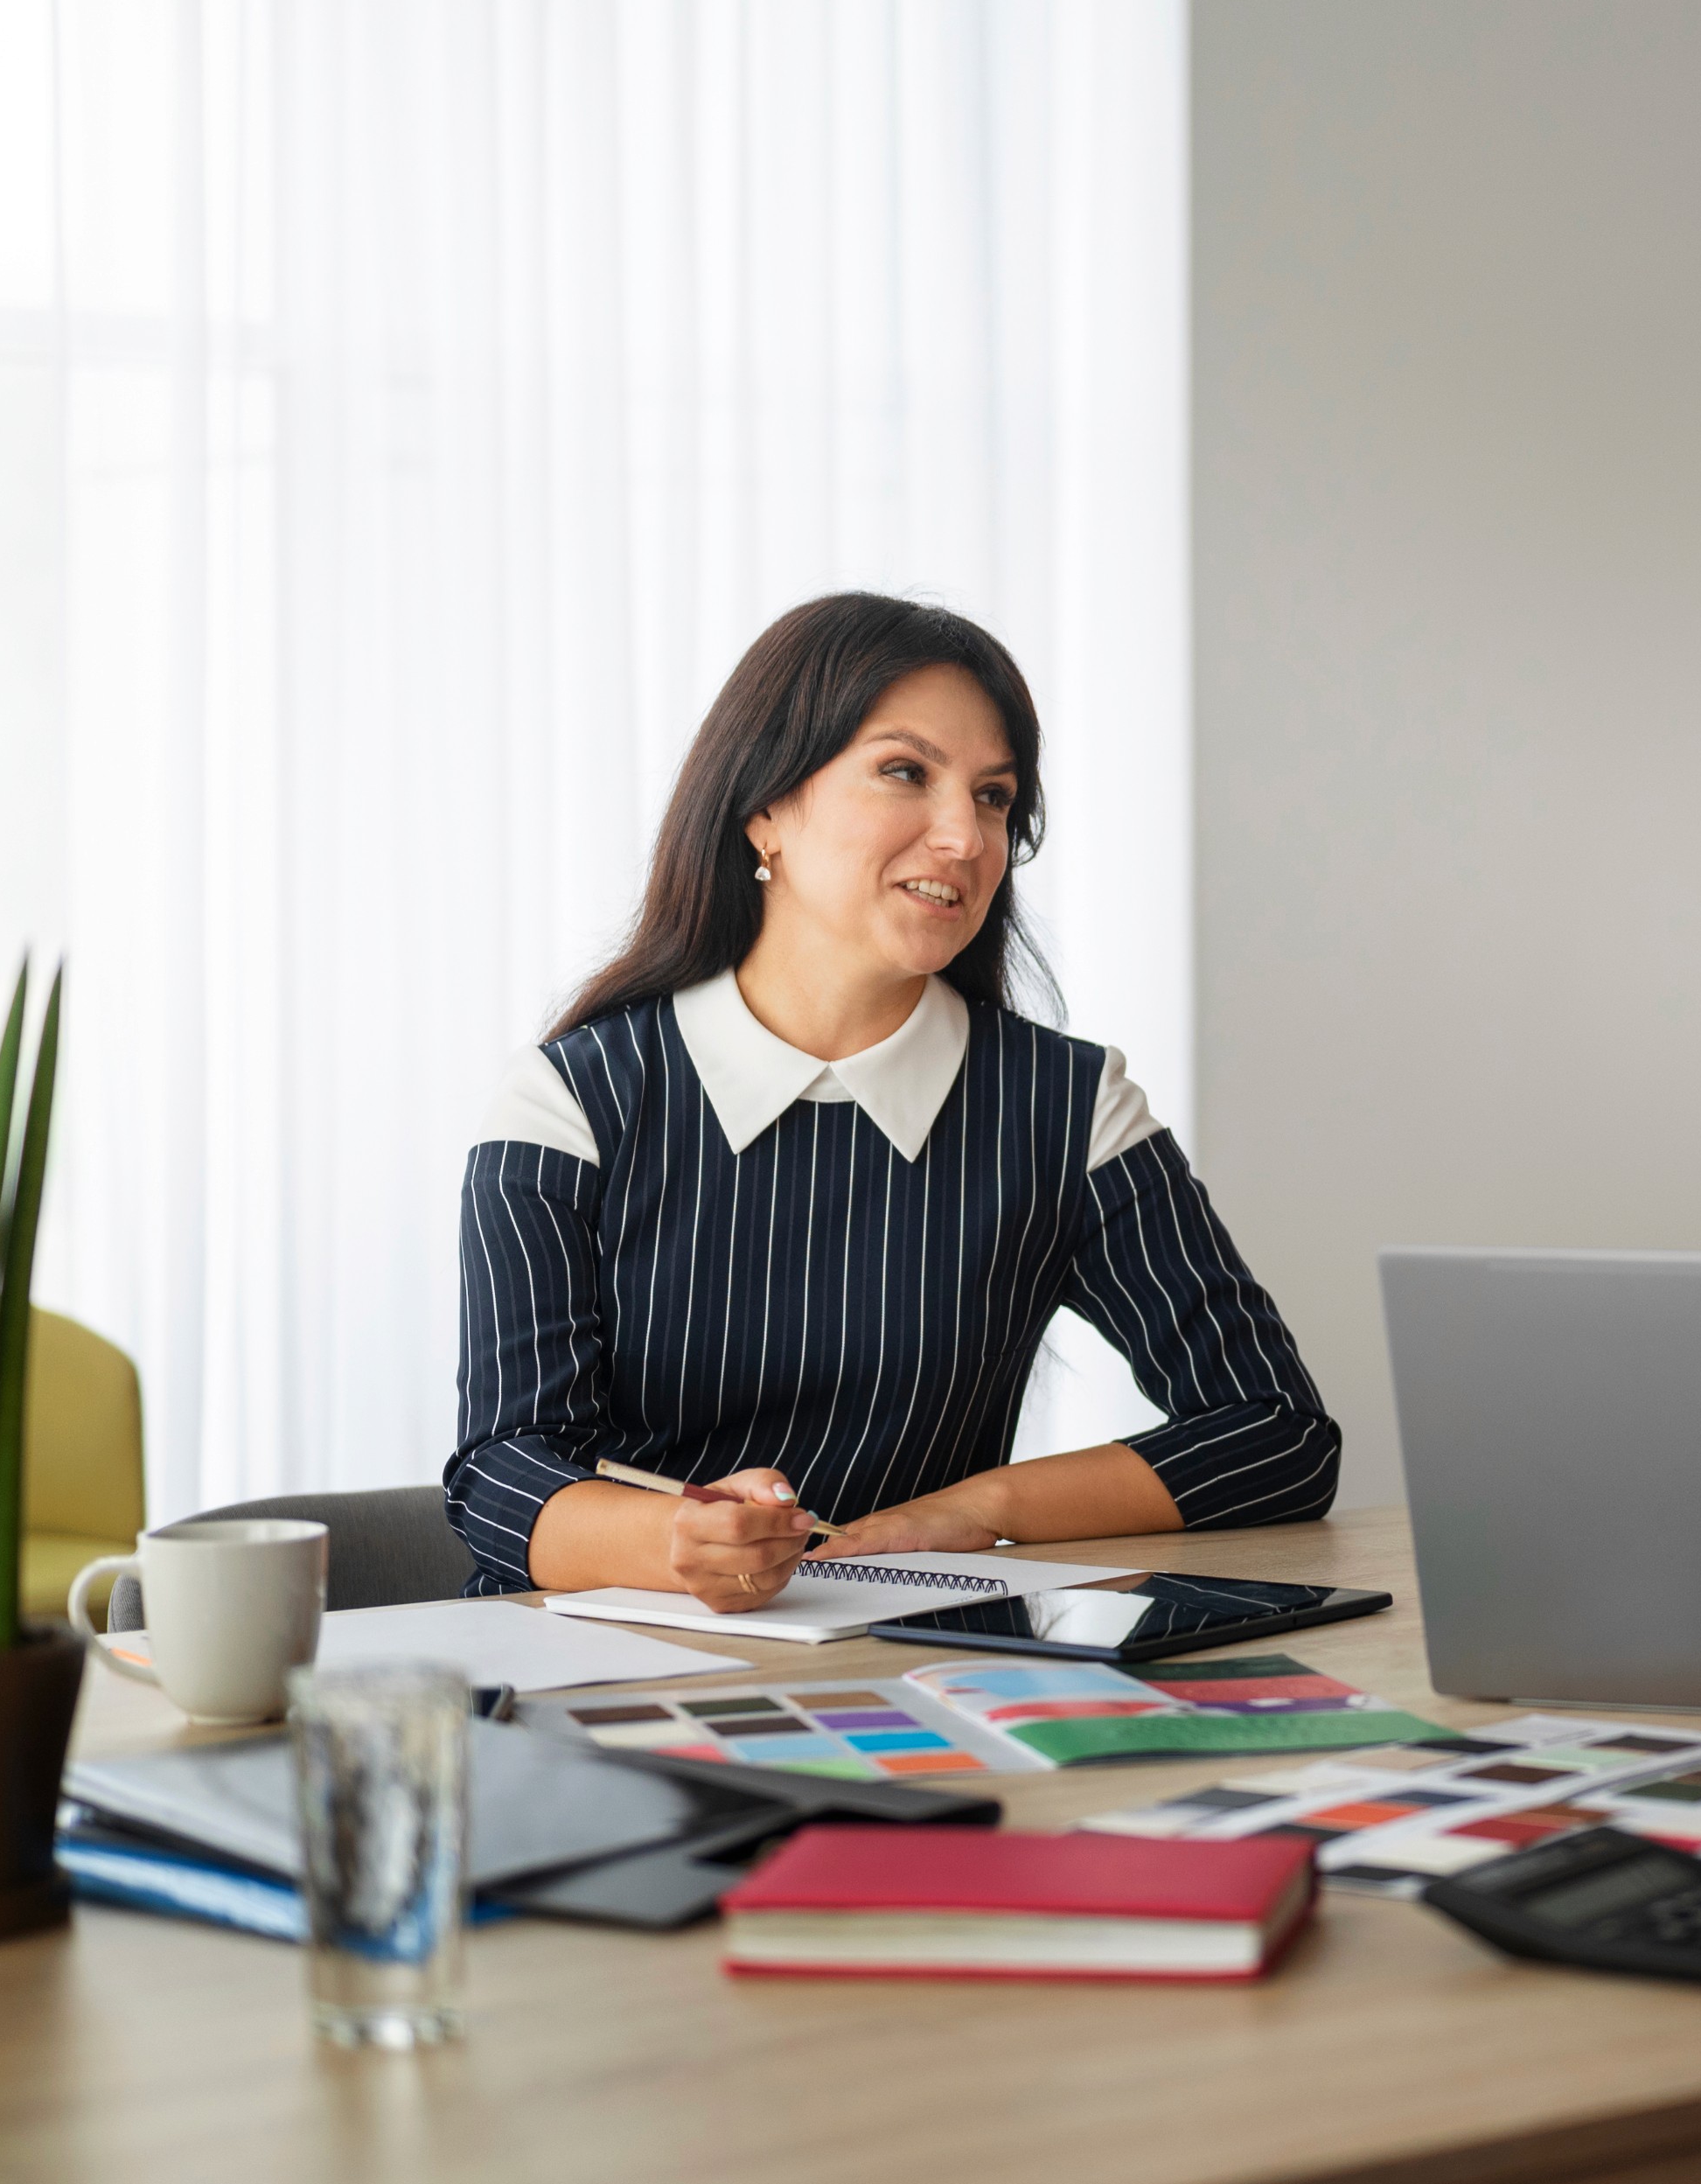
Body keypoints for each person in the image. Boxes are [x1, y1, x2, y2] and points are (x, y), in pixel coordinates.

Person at [443, 592, 1338, 1608]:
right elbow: (501, 1476)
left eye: (995, 797)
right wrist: (679, 1544)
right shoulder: (573, 1100)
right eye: (906, 773)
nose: (964, 836)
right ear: (765, 809)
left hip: (919, 1671)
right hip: (598, 1675)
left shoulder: (1068, 1108)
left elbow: (1278, 1435)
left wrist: (979, 1506)